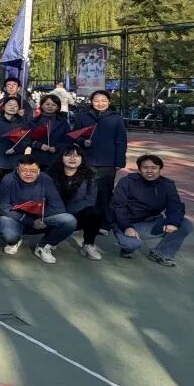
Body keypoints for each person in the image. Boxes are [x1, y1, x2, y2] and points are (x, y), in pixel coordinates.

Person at [110, 154, 192, 266]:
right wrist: (127, 227)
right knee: (131, 244)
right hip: (126, 223)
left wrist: (173, 222)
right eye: (145, 167)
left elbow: (175, 206)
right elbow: (118, 207)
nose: (149, 171)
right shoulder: (127, 182)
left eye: (154, 168)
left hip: (151, 223)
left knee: (184, 224)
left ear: (160, 169)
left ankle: (161, 253)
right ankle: (126, 248)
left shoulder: (167, 185)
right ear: (139, 169)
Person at [0, 156, 75, 264]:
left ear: (38, 171)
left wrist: (39, 217)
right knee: (10, 236)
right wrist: (28, 220)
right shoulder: (8, 180)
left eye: (32, 171)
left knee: (69, 220)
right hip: (15, 217)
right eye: (24, 170)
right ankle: (16, 239)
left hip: (39, 217)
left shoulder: (46, 180)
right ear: (18, 170)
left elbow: (58, 207)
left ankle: (44, 245)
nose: (28, 174)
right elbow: (3, 207)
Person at [72, 90, 128, 226]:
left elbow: (121, 141)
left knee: (104, 192)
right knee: (84, 191)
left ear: (109, 102)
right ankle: (82, 221)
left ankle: (104, 223)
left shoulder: (116, 119)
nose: (100, 103)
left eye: (104, 100)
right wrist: (83, 142)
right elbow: (74, 136)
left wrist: (120, 161)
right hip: (87, 159)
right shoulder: (83, 117)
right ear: (92, 102)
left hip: (107, 162)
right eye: (96, 101)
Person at [49, 147, 102, 260]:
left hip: (77, 214)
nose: (72, 158)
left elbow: (90, 200)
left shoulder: (89, 176)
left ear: (82, 159)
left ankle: (88, 244)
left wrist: (69, 214)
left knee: (94, 212)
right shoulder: (51, 174)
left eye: (77, 155)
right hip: (54, 213)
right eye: (68, 155)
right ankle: (50, 239)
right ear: (62, 157)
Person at [0, 97, 30, 182]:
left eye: (15, 106)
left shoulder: (23, 123)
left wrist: (16, 149)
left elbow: (27, 141)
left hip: (15, 163)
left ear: (19, 109)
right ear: (3, 107)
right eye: (9, 105)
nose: (12, 107)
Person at [30, 94, 69, 170]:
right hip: (36, 159)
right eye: (47, 104)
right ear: (42, 105)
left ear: (57, 107)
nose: (50, 106)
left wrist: (57, 148)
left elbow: (68, 140)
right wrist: (39, 145)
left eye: (53, 105)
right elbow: (25, 139)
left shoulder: (63, 123)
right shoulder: (33, 121)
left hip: (57, 159)